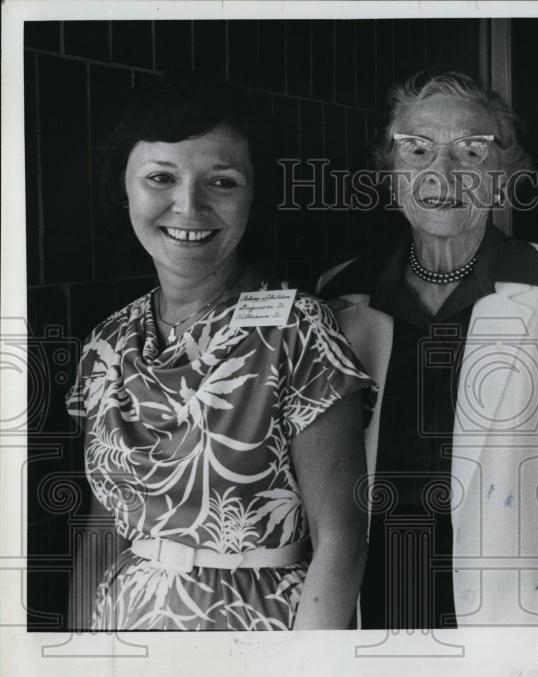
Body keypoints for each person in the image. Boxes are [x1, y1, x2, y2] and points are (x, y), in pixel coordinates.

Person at [66, 74, 373, 630]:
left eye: (223, 182)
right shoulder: (108, 341)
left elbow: (343, 542)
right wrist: (77, 661)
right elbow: (100, 529)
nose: (189, 206)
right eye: (160, 177)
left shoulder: (295, 325)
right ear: (125, 189)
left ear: (254, 194)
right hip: (125, 630)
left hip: (254, 633)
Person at [318, 69, 538, 631]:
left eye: (471, 152)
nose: (442, 172)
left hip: (504, 613)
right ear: (391, 173)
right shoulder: (340, 295)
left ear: (502, 175)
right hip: (372, 603)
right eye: (418, 150)